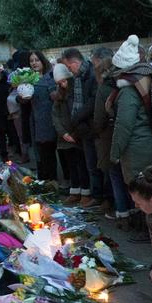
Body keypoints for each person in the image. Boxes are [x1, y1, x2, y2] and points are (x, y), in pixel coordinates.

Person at [109, 35, 152, 240]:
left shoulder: (129, 90)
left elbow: (124, 125)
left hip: (137, 149)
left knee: (143, 192)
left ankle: (150, 232)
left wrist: (115, 152)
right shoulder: (150, 77)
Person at [61, 48, 104, 209]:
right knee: (90, 164)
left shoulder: (91, 75)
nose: (69, 70)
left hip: (91, 126)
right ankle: (96, 195)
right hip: (83, 127)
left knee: (96, 164)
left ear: (75, 62)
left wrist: (78, 115)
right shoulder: (78, 77)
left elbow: (94, 101)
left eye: (69, 67)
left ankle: (100, 196)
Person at [93, 55, 131, 227]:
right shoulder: (130, 85)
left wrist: (98, 130)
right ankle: (129, 210)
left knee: (115, 174)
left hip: (110, 137)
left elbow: (99, 117)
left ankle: (122, 211)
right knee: (126, 174)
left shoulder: (106, 88)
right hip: (128, 138)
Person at [52, 63, 92, 204]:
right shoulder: (58, 96)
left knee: (82, 165)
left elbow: (79, 112)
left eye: (64, 81)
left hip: (77, 134)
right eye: (59, 83)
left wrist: (74, 133)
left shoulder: (77, 92)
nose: (63, 85)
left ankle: (86, 192)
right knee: (71, 165)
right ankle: (74, 190)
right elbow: (55, 116)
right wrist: (63, 133)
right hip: (65, 137)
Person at [28, 51, 61, 183]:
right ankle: (43, 183)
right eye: (31, 61)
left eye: (37, 60)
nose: (34, 63)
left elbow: (56, 98)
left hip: (49, 120)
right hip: (35, 120)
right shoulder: (28, 78)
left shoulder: (50, 77)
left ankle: (52, 184)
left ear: (43, 61)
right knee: (39, 154)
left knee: (48, 154)